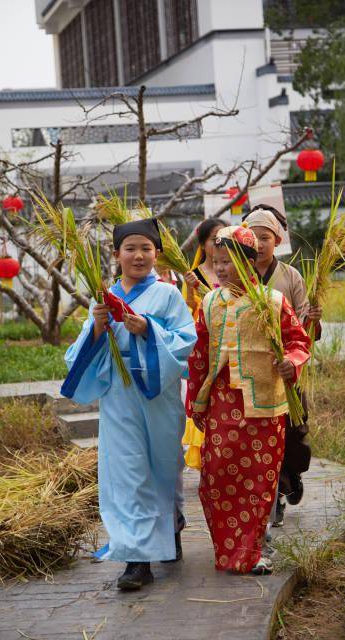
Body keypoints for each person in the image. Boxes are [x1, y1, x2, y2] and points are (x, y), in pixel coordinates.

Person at [61, 218, 197, 591]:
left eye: (146, 248)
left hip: (158, 392)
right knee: (127, 471)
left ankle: (170, 529)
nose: (139, 255)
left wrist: (148, 330)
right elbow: (79, 353)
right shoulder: (102, 296)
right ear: (116, 253)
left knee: (163, 467)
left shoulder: (169, 294)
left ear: (157, 253)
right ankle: (137, 561)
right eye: (130, 248)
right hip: (120, 394)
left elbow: (187, 341)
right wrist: (98, 328)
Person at [186, 225, 310, 574]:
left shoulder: (272, 301)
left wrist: (292, 363)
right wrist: (195, 403)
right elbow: (198, 357)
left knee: (258, 482)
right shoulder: (210, 302)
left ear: (248, 262)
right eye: (216, 261)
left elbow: (298, 342)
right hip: (222, 405)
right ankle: (228, 551)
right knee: (216, 479)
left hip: (264, 407)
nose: (221, 268)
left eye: (227, 261)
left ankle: (250, 553)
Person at [243, 205, 322, 526]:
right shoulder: (238, 275)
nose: (259, 244)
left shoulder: (291, 277)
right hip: (252, 372)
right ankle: (273, 495)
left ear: (278, 240)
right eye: (253, 238)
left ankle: (291, 475)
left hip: (287, 371)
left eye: (266, 237)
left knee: (293, 433)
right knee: (259, 440)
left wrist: (314, 319)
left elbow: (307, 333)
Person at [182, 218, 227, 469]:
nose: (219, 244)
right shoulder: (193, 276)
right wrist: (190, 290)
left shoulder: (235, 271)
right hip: (205, 347)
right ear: (202, 244)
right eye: (214, 240)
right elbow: (186, 311)